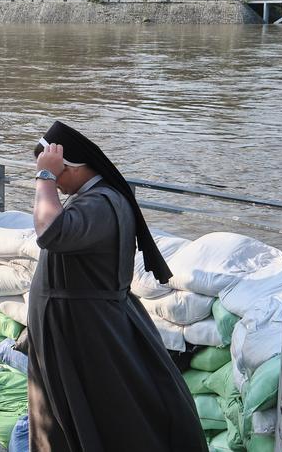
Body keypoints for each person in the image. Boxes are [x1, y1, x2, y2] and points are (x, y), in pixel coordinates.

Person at [29, 121, 206, 451]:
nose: (57, 182)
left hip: (83, 330)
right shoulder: (97, 199)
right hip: (79, 324)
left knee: (100, 409)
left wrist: (45, 177)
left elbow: (48, 231)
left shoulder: (99, 205)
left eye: (58, 172)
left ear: (72, 168)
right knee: (81, 408)